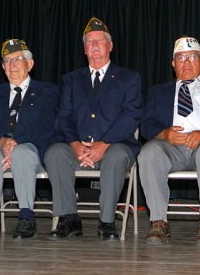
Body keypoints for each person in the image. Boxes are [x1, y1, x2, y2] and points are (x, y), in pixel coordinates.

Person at [45, 17, 143, 241]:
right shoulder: (71, 80)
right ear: (84, 49)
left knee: (117, 155)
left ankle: (107, 222)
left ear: (110, 46)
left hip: (115, 146)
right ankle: (70, 219)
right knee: (54, 153)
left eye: (100, 40)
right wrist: (75, 144)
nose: (95, 45)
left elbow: (131, 115)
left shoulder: (129, 78)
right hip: (77, 147)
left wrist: (104, 143)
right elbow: (61, 117)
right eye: (90, 42)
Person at [139, 36, 200, 247]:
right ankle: (158, 221)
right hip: (170, 149)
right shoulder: (157, 91)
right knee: (149, 151)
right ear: (173, 65)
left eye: (192, 57)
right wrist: (164, 134)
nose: (187, 62)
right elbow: (145, 125)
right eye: (181, 58)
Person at [0, 39, 58, 241]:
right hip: (2, 148)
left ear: (30, 64)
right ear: (3, 67)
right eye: (8, 61)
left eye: (18, 59)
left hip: (33, 149)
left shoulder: (48, 91)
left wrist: (14, 143)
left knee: (22, 152)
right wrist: (2, 141)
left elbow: (43, 123)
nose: (12, 65)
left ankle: (27, 218)